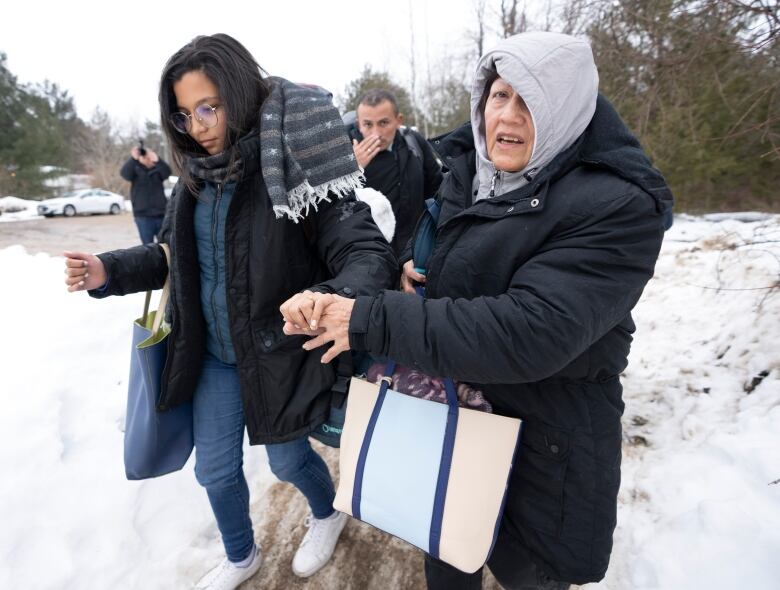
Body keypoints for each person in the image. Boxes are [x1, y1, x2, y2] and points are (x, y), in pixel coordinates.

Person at [283, 32, 673, 589]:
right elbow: (450, 267)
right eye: (499, 95)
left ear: (568, 107)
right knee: (446, 550)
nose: (508, 116)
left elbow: (529, 332)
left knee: (528, 574)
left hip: (543, 450)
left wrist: (370, 317)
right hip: (454, 422)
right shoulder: (467, 171)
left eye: (530, 101)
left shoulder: (620, 204)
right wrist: (404, 273)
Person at [63, 34, 398, 590]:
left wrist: (333, 295)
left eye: (209, 107)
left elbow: (365, 251)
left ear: (239, 96)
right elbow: (173, 257)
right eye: (184, 114)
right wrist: (108, 271)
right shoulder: (193, 181)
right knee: (214, 472)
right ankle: (241, 555)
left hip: (279, 356)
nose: (198, 126)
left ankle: (326, 513)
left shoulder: (291, 169)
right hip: (216, 359)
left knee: (290, 463)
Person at [349, 89, 443, 256]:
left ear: (398, 120)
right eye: (368, 124)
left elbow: (438, 189)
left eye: (383, 123)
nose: (376, 133)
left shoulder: (413, 143)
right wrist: (350, 170)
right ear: (358, 124)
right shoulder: (346, 153)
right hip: (370, 256)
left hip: (415, 251)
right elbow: (333, 212)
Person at [120, 145, 172, 244]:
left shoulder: (158, 170)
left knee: (165, 244)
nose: (146, 159)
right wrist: (133, 159)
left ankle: (164, 260)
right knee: (147, 247)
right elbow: (124, 174)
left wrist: (157, 160)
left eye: (148, 157)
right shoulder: (134, 170)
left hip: (161, 214)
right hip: (143, 216)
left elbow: (167, 172)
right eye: (144, 157)